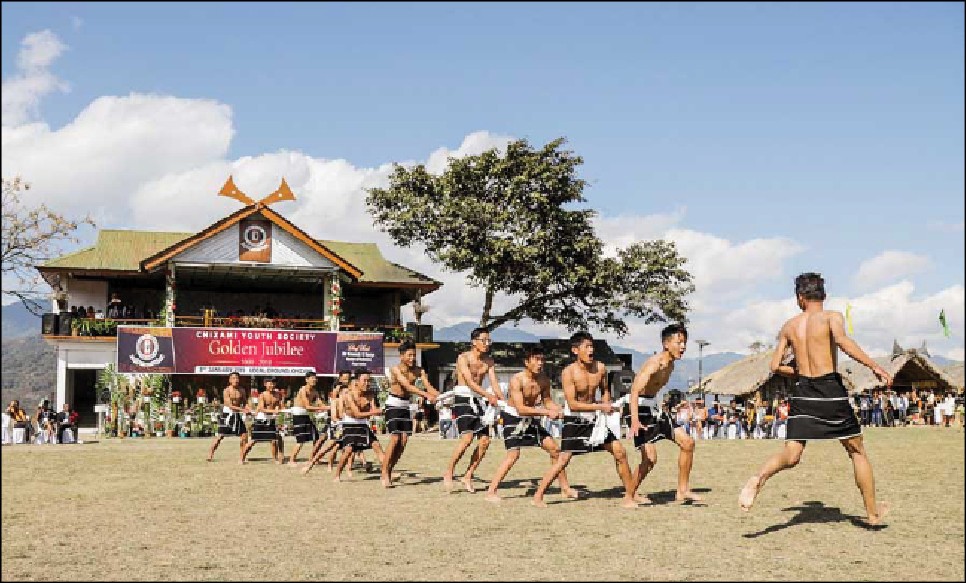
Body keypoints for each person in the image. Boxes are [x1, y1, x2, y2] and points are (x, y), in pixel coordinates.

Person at [738, 272, 891, 526]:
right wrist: (874, 366)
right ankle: (873, 514)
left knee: (792, 454)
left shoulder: (790, 326)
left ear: (800, 298)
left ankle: (758, 478)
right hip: (829, 389)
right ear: (824, 295)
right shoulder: (832, 317)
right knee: (856, 451)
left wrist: (798, 371)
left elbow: (775, 365)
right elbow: (843, 342)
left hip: (803, 391)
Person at [532, 331, 637, 509]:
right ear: (575, 350)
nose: (591, 350)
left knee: (620, 452)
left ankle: (630, 495)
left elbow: (605, 391)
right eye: (586, 347)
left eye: (592, 346)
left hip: (595, 419)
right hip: (575, 420)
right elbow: (573, 405)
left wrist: (606, 404)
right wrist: (600, 407)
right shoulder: (568, 373)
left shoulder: (601, 368)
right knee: (563, 459)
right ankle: (538, 496)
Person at [484, 345, 577, 503]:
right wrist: (547, 413)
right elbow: (520, 409)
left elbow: (548, 402)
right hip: (513, 417)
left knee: (555, 450)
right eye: (536, 360)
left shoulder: (544, 380)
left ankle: (565, 488)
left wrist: (561, 411)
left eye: (542, 360)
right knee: (513, 455)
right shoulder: (517, 380)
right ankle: (491, 491)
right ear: (527, 362)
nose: (540, 363)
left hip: (531, 417)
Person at [628, 324, 702, 505]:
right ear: (666, 344)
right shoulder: (655, 363)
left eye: (684, 342)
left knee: (688, 443)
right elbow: (634, 392)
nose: (683, 346)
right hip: (639, 409)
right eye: (679, 342)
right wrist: (635, 421)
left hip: (654, 408)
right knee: (650, 459)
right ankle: (628, 496)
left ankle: (682, 491)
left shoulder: (671, 364)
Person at [443, 327, 505, 493]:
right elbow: (470, 382)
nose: (487, 344)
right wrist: (489, 396)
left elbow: (495, 384)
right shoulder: (463, 358)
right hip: (463, 398)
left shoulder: (489, 362)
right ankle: (449, 471)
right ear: (474, 341)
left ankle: (468, 475)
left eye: (489, 341)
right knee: (467, 438)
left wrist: (505, 402)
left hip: (478, 401)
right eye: (483, 340)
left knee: (485, 440)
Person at [381, 340, 439, 488]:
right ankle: (384, 474)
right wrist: (426, 395)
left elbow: (428, 386)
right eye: (409, 355)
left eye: (414, 355)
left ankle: (390, 469)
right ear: (402, 356)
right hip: (393, 405)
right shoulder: (395, 369)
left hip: (405, 406)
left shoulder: (419, 370)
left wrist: (440, 396)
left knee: (404, 440)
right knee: (395, 439)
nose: (412, 358)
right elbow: (407, 386)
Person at [333, 369, 386, 482]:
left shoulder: (370, 394)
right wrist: (375, 412)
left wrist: (383, 410)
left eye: (369, 381)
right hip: (349, 423)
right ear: (357, 381)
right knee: (348, 450)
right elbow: (357, 413)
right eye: (364, 380)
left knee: (376, 445)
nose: (367, 383)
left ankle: (388, 472)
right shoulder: (348, 394)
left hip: (363, 424)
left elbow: (374, 409)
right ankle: (337, 475)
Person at [287, 372, 330, 466]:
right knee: (301, 440)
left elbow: (320, 403)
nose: (314, 380)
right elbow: (307, 406)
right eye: (311, 378)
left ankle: (313, 458)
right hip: (298, 414)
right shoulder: (303, 390)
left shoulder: (315, 391)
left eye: (315, 378)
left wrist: (328, 407)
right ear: (306, 380)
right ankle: (291, 460)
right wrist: (323, 408)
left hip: (306, 415)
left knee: (316, 437)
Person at [207, 372, 250, 463]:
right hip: (228, 415)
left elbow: (245, 402)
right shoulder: (226, 390)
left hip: (237, 414)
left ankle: (242, 456)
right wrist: (242, 410)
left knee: (244, 435)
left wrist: (247, 408)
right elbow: (229, 405)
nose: (236, 380)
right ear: (230, 380)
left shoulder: (242, 390)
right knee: (220, 436)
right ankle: (210, 453)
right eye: (233, 378)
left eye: (237, 378)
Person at [242, 377, 285, 464]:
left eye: (273, 383)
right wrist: (274, 411)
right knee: (253, 441)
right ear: (265, 384)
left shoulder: (278, 394)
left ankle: (275, 458)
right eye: (270, 383)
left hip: (271, 419)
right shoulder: (262, 395)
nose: (272, 385)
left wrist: (279, 409)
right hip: (261, 419)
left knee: (274, 440)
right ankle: (242, 458)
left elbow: (279, 405)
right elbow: (261, 408)